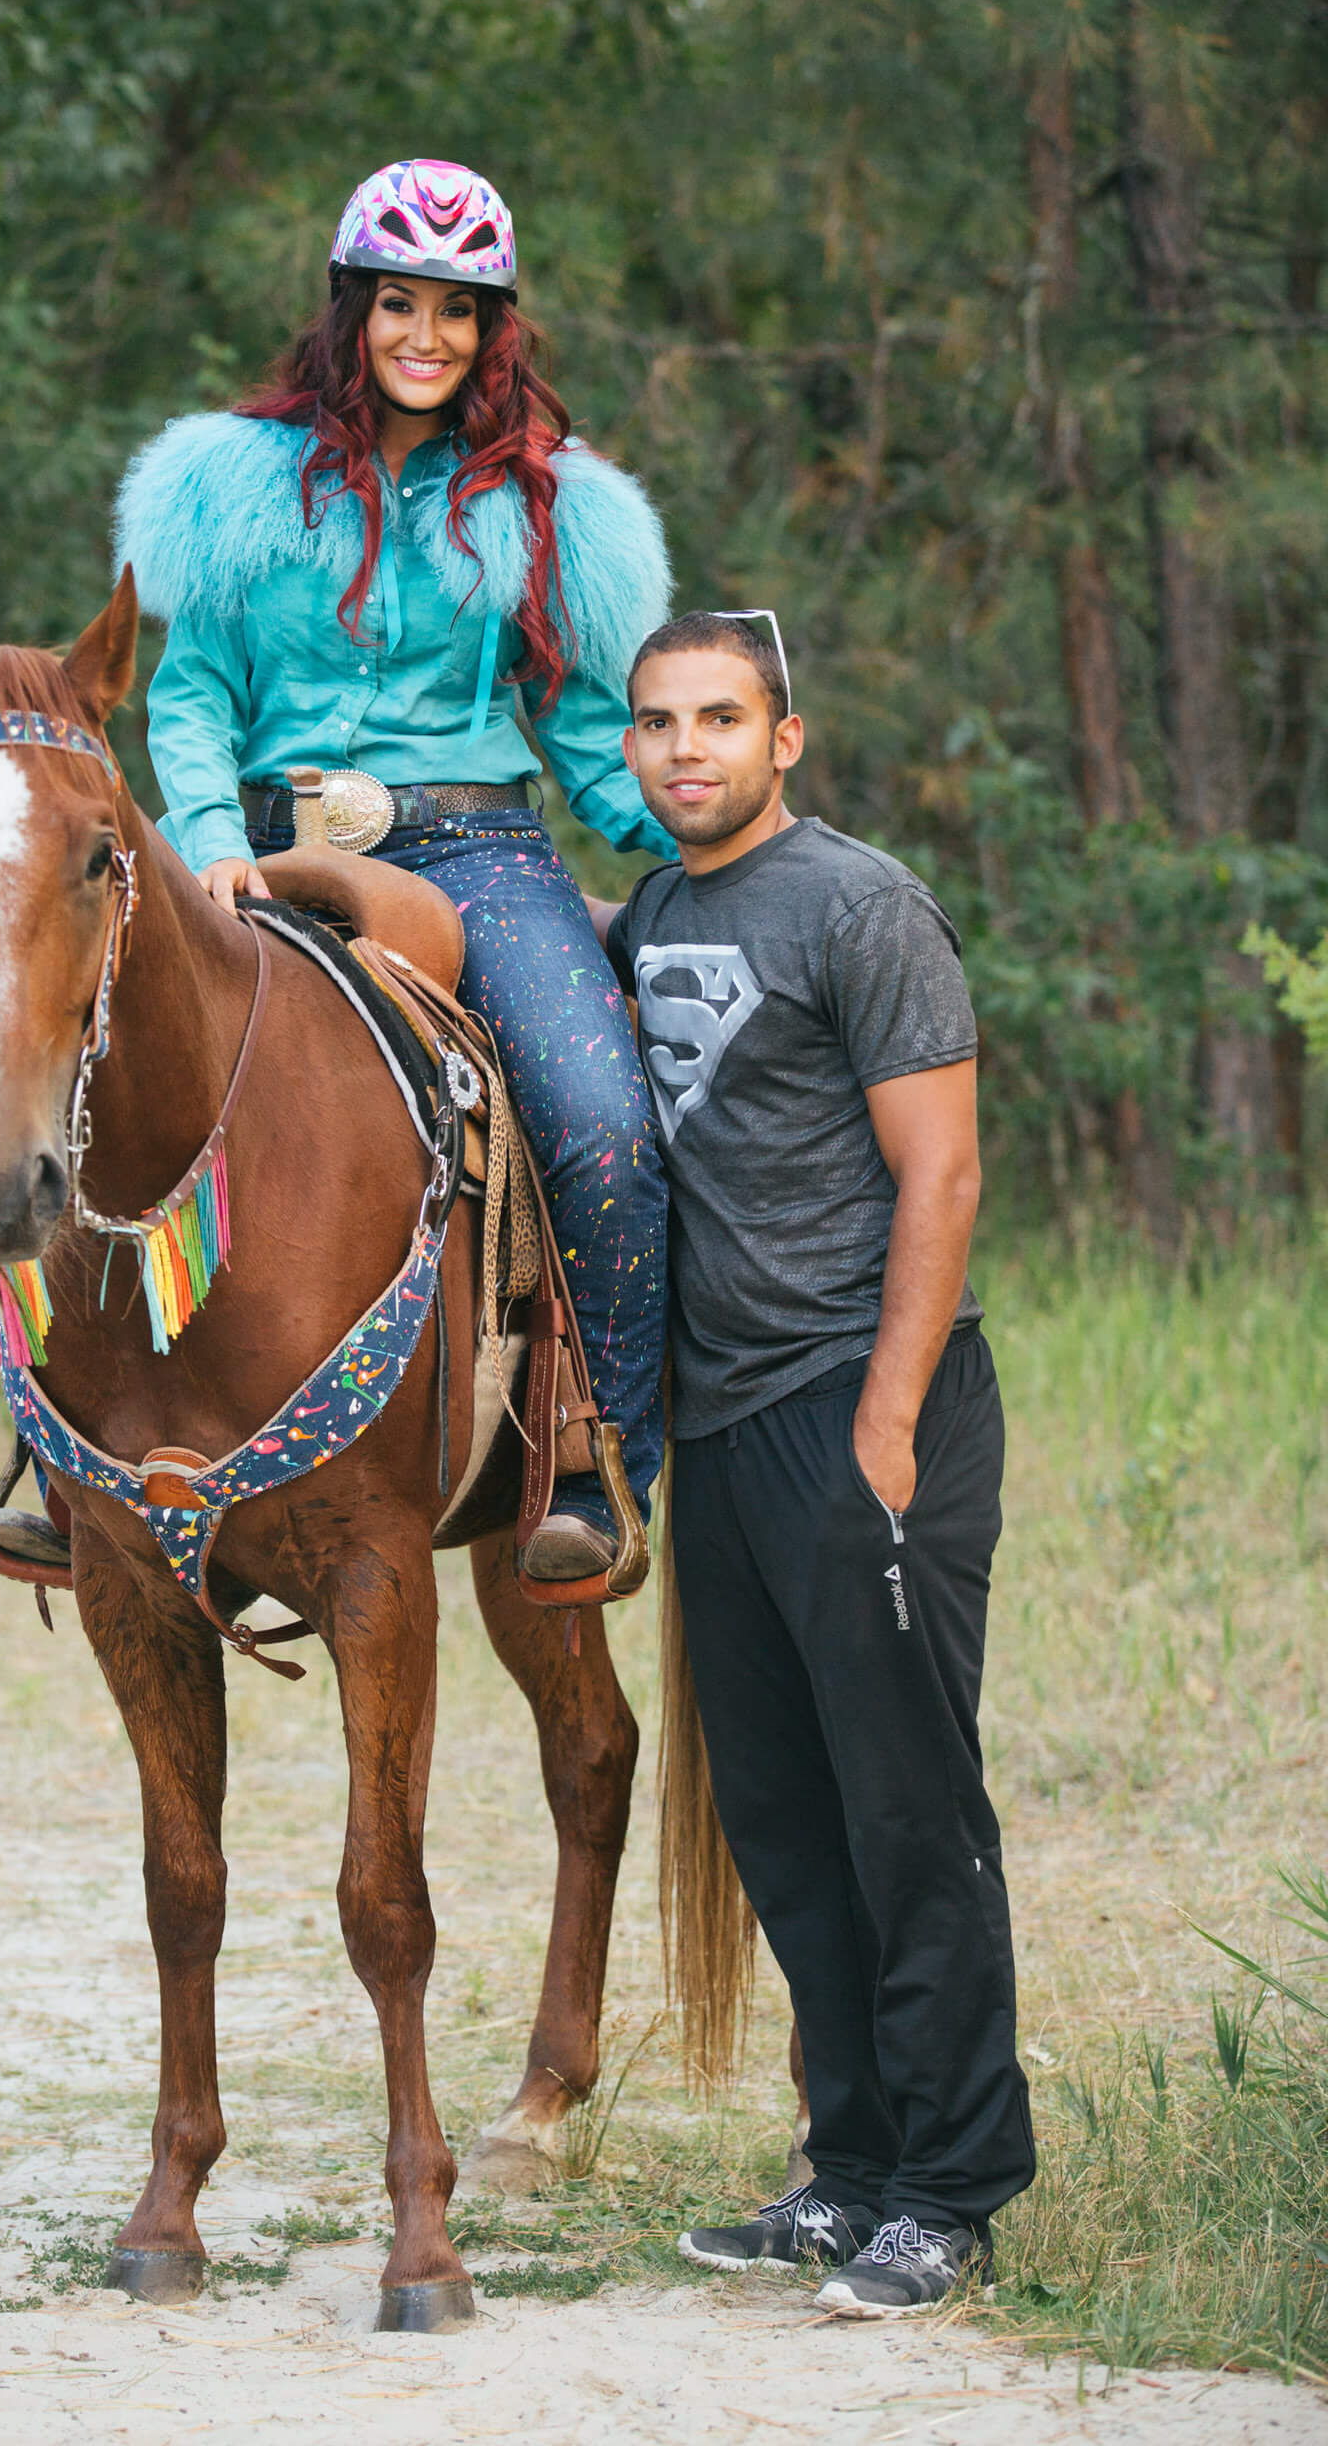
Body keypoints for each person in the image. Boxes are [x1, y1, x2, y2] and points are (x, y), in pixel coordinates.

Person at [114, 159, 675, 1574]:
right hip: (259, 843)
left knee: (603, 1117)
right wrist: (214, 849)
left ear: (495, 330)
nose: (427, 337)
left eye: (459, 311)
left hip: (477, 843)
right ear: (352, 309)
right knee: (85, 1074)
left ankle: (602, 1464)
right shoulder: (239, 485)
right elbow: (191, 698)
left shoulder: (545, 508)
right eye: (400, 304)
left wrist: (713, 840)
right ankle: (63, 1454)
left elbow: (591, 738)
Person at [592, 609, 1034, 2315]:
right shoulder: (659, 913)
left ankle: (953, 2190)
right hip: (725, 1428)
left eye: (720, 718)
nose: (686, 748)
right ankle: (847, 2171)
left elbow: (947, 1177)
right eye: (656, 724)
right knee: (782, 1819)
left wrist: (889, 1421)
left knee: (907, 1810)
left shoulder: (860, 904)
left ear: (787, 737)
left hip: (867, 1402)